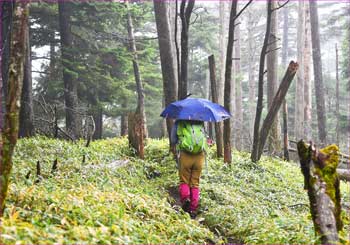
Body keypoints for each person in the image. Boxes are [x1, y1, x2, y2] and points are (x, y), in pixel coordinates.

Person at [170, 119, 207, 218]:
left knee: (184, 180)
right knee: (195, 182)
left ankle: (185, 199)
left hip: (185, 154)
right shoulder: (200, 121)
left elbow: (173, 140)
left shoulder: (179, 122)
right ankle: (193, 209)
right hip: (199, 156)